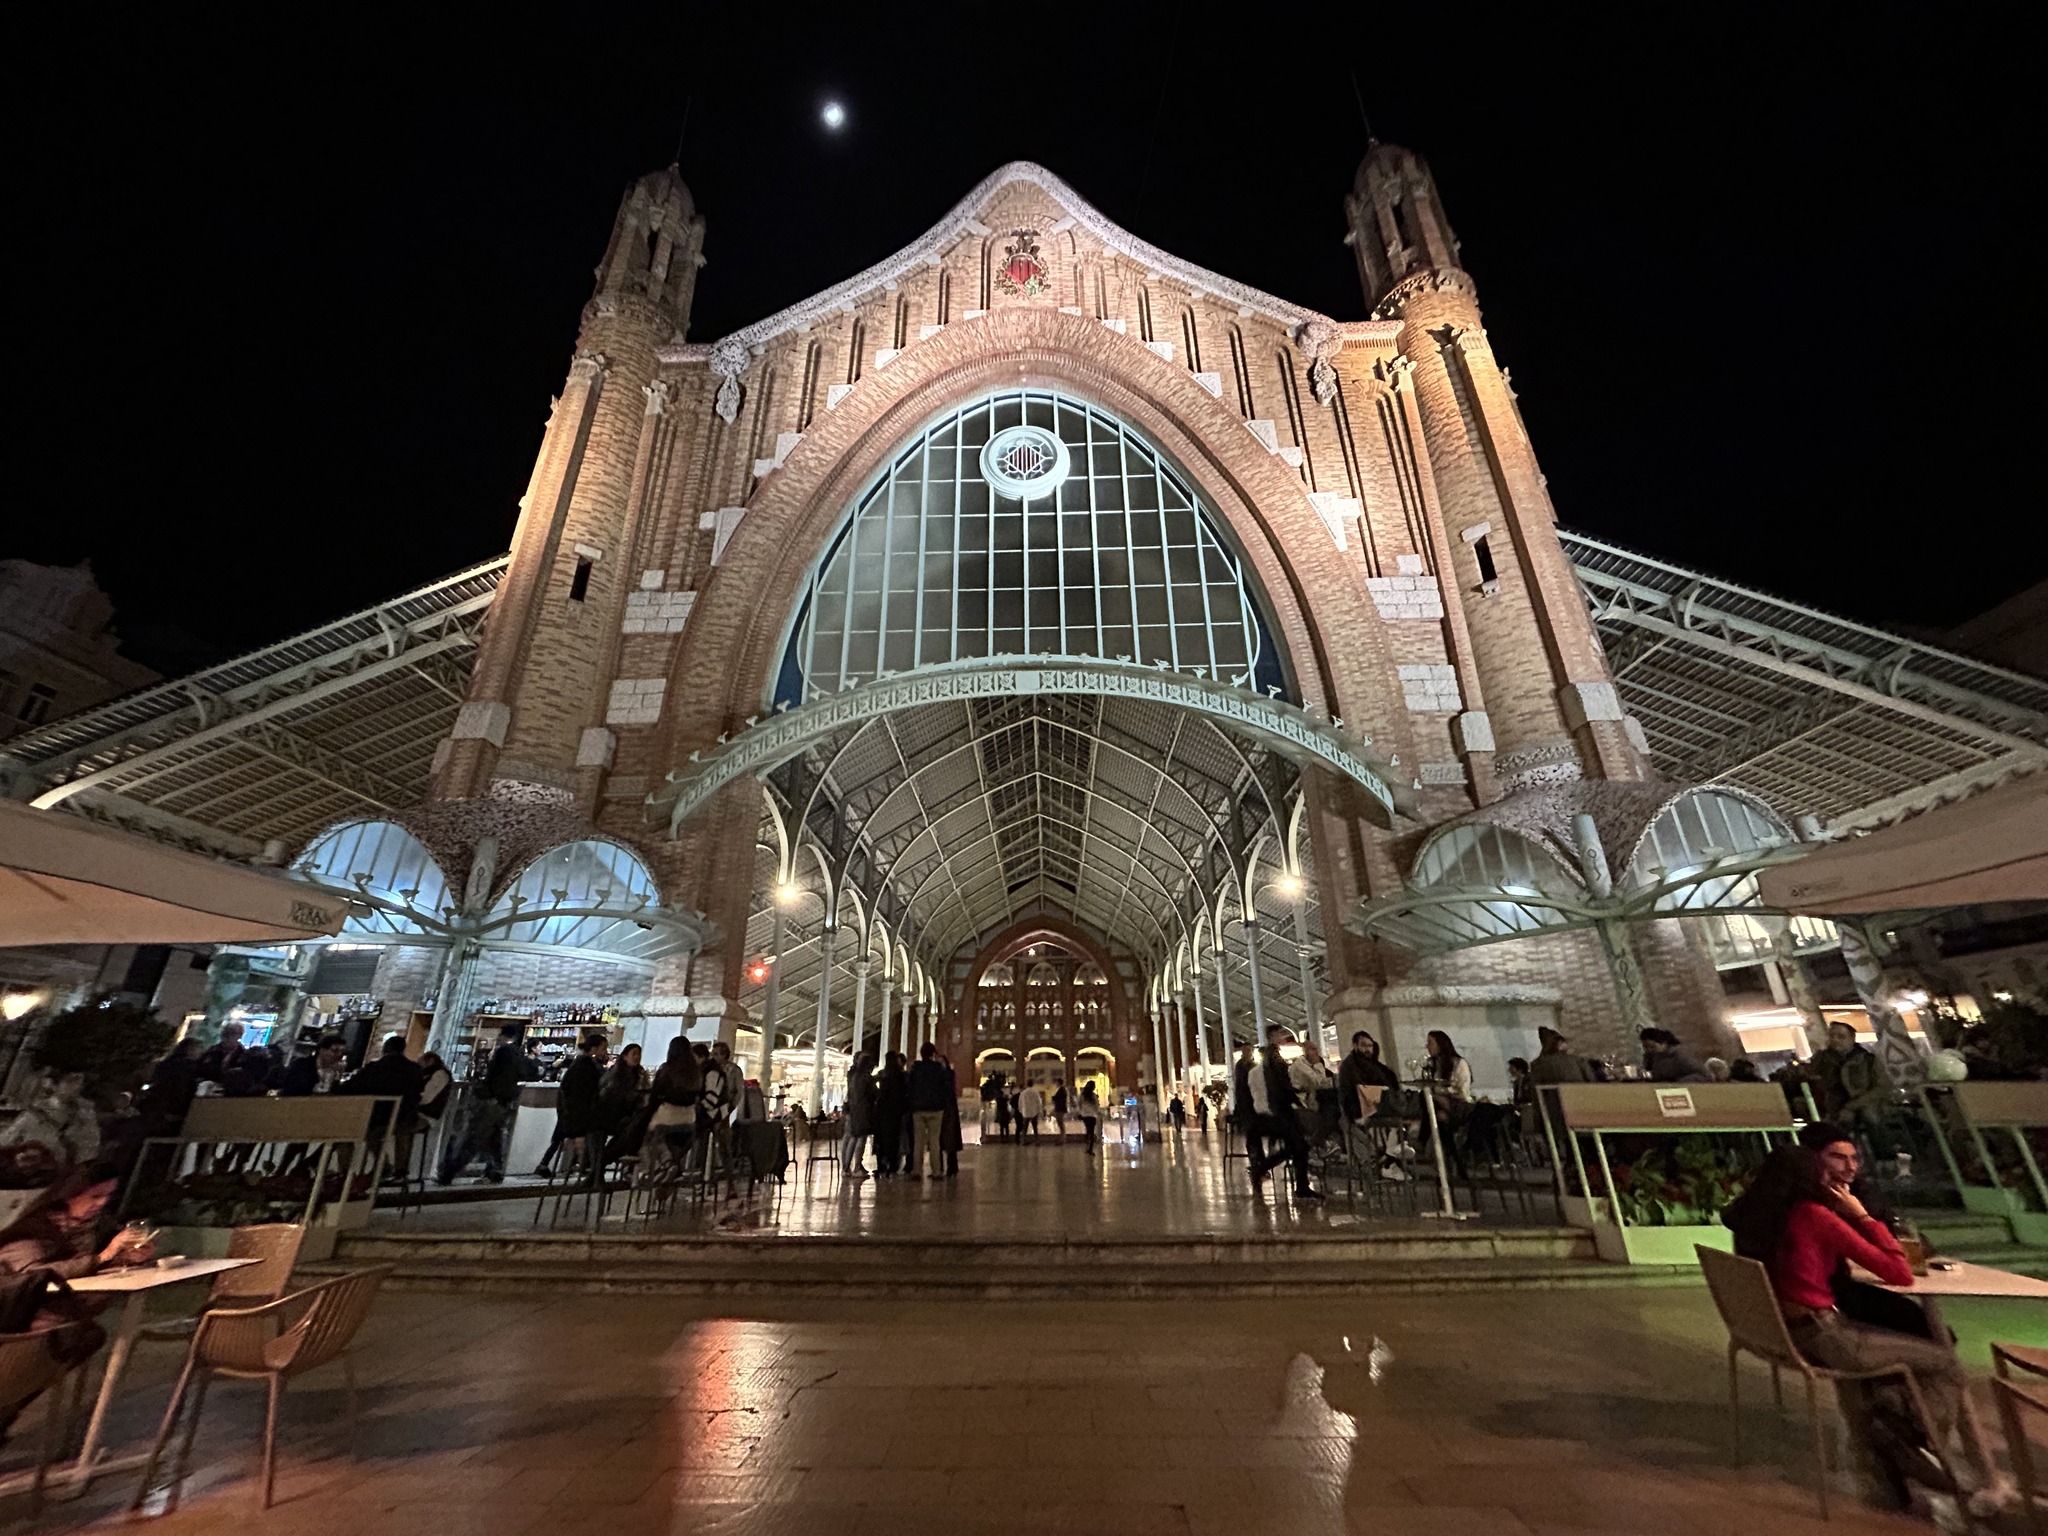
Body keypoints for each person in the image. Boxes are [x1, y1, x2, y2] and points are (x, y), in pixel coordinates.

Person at [1724, 1136, 2004, 1513]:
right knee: (1945, 1360)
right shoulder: (1813, 1215)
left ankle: (1890, 1436)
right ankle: (1908, 1436)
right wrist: (1861, 1216)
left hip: (1788, 1335)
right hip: (1826, 1336)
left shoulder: (1760, 1220)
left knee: (1895, 1347)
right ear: (1811, 1178)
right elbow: (1899, 1272)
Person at [438, 1024, 535, 1184]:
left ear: (503, 1036)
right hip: (505, 1101)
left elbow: (494, 1077)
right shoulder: (518, 1054)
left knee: (474, 1136)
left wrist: (488, 1092)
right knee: (495, 1138)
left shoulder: (503, 1052)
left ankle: (449, 1173)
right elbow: (526, 1073)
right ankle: (495, 1171)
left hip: (493, 1100)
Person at [1247, 1027, 1320, 1201]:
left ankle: (1264, 1171)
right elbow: (1279, 1085)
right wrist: (1294, 1098)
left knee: (1297, 1146)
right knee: (1299, 1145)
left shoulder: (1270, 1058)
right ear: (1272, 1037)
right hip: (1281, 1111)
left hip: (1280, 1110)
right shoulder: (1274, 1058)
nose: (1282, 1037)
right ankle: (1297, 1185)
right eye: (1279, 1034)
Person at [339, 1034, 426, 1179]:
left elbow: (350, 1087)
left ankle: (354, 1174)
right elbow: (419, 1090)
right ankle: (399, 1169)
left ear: (385, 1049)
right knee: (397, 1132)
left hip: (376, 1118)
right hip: (405, 1117)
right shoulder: (414, 1069)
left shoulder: (374, 1068)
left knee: (365, 1134)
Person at [0, 1069, 101, 1170]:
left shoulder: (85, 1114)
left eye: (79, 1082)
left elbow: (90, 1147)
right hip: (33, 1170)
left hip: (63, 1172)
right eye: (70, 1081)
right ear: (54, 1085)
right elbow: (6, 1140)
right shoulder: (35, 1112)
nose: (77, 1087)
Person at [539, 1032, 607, 1182]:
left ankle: (556, 1165)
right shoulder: (586, 1068)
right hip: (579, 1118)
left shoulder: (580, 1065)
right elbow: (581, 1095)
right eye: (603, 1049)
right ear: (594, 1049)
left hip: (572, 1116)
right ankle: (580, 1170)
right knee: (583, 1144)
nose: (605, 1053)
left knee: (561, 1140)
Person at [1415, 1030, 1472, 1175]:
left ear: (1441, 1044)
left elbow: (1462, 1092)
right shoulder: (1433, 1066)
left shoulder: (1459, 1063)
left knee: (1428, 1099)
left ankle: (1422, 1137)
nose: (1427, 1046)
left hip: (1458, 1106)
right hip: (1440, 1109)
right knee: (1439, 1119)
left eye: (1430, 1043)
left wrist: (1441, 1094)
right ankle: (1458, 1165)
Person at [644, 1036, 703, 1176]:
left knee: (646, 1133)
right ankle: (673, 1167)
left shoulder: (667, 1069)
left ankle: (663, 1164)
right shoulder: (696, 1072)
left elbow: (656, 1092)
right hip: (689, 1117)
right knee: (675, 1143)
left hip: (668, 1114)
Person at [138, 1038, 203, 1138]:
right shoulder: (189, 1067)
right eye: (199, 1049)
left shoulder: (164, 1064)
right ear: (191, 1050)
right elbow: (182, 1089)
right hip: (173, 1109)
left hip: (155, 1107)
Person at [906, 1043, 952, 1179]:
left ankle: (916, 1171)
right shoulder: (939, 1069)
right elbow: (946, 1087)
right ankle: (937, 1171)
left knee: (918, 1141)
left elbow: (910, 1087)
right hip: (936, 1109)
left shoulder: (915, 1069)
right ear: (933, 1054)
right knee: (934, 1141)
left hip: (919, 1109)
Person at [278, 1034, 348, 1096]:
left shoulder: (336, 1070)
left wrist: (338, 1076)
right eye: (335, 1051)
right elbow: (293, 1088)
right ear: (322, 1050)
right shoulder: (302, 1065)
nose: (339, 1055)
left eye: (342, 1051)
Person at [842, 1051, 875, 1179]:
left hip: (853, 1109)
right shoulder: (866, 1078)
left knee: (852, 1137)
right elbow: (873, 1094)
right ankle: (856, 1168)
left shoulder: (853, 1076)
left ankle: (846, 1167)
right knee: (860, 1138)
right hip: (863, 1111)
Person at [872, 1053, 907, 1177]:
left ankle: (881, 1166)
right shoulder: (901, 1075)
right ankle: (892, 1167)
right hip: (895, 1112)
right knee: (893, 1140)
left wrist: (877, 1095)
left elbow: (872, 1083)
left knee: (880, 1140)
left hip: (881, 1111)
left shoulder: (882, 1074)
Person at [1639, 1027, 1710, 1084]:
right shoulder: (1654, 1057)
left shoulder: (1681, 1056)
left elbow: (1704, 1075)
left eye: (1652, 1046)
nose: (1648, 1050)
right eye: (1645, 1047)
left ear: (1663, 1043)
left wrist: (1676, 1083)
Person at [195, 1021, 246, 1087]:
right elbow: (199, 1069)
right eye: (225, 1032)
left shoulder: (244, 1055)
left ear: (240, 1036)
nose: (228, 1036)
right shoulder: (211, 1052)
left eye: (233, 1033)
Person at [937, 1054, 963, 1178]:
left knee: (948, 1140)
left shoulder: (946, 1075)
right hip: (942, 1109)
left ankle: (951, 1167)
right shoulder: (946, 1075)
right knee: (940, 1140)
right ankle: (939, 1167)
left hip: (947, 1110)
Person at [1077, 1079, 1101, 1156]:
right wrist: (1097, 1113)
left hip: (1085, 1115)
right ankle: (1090, 1148)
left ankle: (1087, 1147)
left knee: (1088, 1131)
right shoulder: (1093, 1095)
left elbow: (1079, 1104)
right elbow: (1097, 1106)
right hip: (1092, 1115)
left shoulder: (1082, 1095)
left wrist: (1080, 1112)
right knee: (1091, 1131)